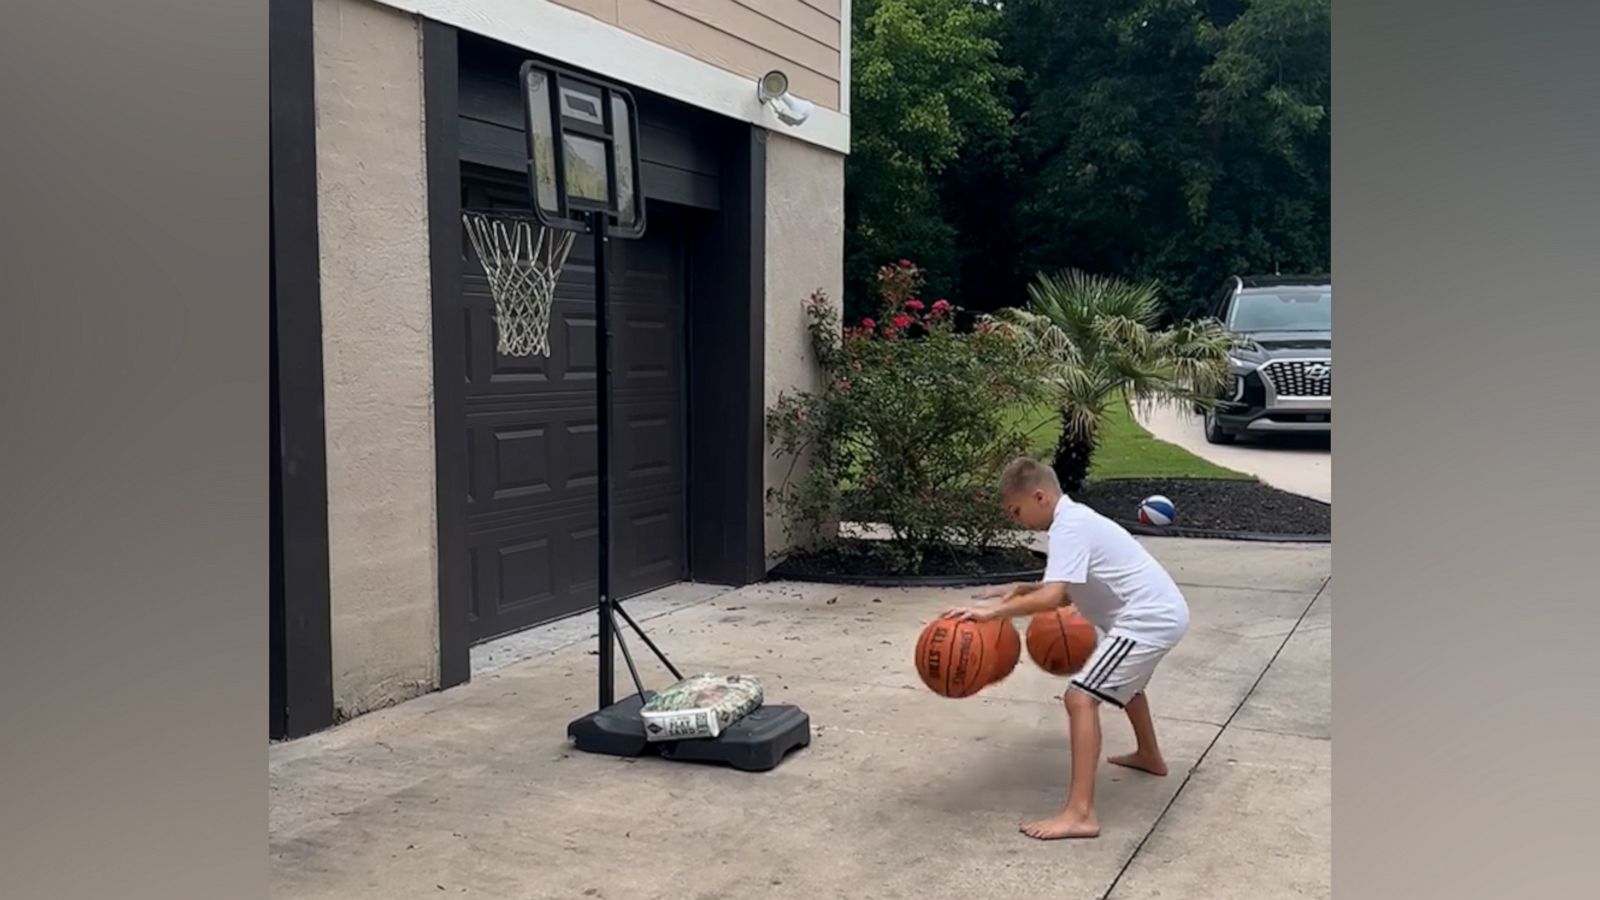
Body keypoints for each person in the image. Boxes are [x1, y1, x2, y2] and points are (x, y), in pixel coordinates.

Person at [945, 456, 1190, 840]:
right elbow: (1059, 591)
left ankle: (1080, 813)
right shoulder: (1074, 520)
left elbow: (1055, 597)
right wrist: (1020, 590)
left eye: (1016, 510)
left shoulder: (1069, 527)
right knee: (1128, 686)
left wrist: (990, 614)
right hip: (1156, 615)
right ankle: (1149, 757)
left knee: (1080, 699)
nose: (1016, 519)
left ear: (1039, 496)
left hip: (1148, 619)